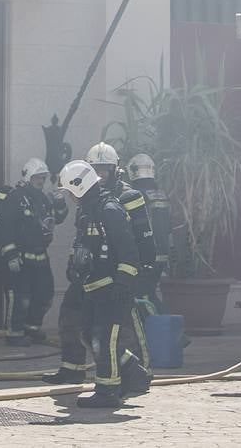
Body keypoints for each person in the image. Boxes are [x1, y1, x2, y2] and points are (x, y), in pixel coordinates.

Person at [49, 159, 151, 408]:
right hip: (92, 288)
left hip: (111, 289)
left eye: (71, 192)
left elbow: (129, 253)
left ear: (80, 187)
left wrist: (122, 284)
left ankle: (107, 392)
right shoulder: (88, 210)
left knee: (104, 339)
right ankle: (132, 372)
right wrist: (75, 266)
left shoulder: (110, 210)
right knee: (87, 333)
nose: (70, 198)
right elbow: (86, 245)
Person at [86, 141, 155, 369]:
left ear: (115, 169)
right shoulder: (90, 196)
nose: (100, 175)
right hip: (104, 270)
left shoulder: (129, 195)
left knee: (131, 321)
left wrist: (141, 267)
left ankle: (143, 367)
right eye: (95, 170)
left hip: (128, 266)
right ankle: (127, 367)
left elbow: (143, 235)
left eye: (104, 170)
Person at [0, 157, 67, 346]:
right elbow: (5, 227)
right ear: (28, 176)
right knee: (19, 297)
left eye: (43, 178)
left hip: (40, 256)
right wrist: (10, 254)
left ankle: (32, 328)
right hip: (20, 257)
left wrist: (60, 203)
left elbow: (56, 219)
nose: (41, 181)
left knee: (45, 294)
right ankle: (14, 333)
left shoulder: (43, 199)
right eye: (37, 177)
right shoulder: (16, 197)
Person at [127, 153, 172, 314]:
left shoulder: (136, 195)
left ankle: (166, 330)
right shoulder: (161, 194)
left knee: (144, 295)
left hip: (146, 255)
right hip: (162, 255)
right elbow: (169, 226)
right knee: (149, 291)